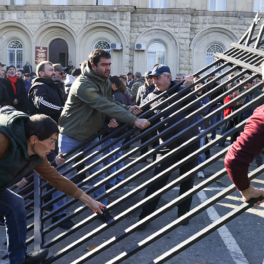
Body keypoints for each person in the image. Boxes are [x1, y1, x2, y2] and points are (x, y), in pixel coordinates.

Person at [0, 106, 105, 264]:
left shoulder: (37, 154)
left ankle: (19, 260)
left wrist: (89, 201)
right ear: (34, 139)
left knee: (16, 204)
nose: (53, 148)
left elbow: (56, 179)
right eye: (51, 141)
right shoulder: (3, 140)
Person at [58, 49, 150, 223]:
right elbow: (102, 104)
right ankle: (59, 214)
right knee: (64, 175)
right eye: (104, 65)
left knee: (98, 174)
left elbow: (110, 102)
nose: (108, 68)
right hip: (71, 134)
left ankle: (101, 209)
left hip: (91, 134)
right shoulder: (83, 84)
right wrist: (133, 120)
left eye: (109, 64)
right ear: (93, 65)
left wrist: (127, 108)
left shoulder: (105, 80)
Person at [138, 65, 199, 227]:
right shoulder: (151, 96)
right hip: (166, 146)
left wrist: (187, 89)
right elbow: (139, 113)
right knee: (157, 182)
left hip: (189, 143)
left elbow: (197, 107)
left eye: (158, 78)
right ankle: (145, 217)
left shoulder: (182, 90)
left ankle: (183, 214)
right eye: (153, 78)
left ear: (168, 77)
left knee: (187, 181)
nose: (154, 81)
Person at [103, 75, 128, 189]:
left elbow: (112, 113)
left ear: (113, 85)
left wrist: (109, 121)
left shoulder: (115, 97)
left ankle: (111, 182)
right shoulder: (120, 95)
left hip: (113, 132)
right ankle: (119, 179)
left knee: (110, 158)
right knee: (117, 156)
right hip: (120, 131)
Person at [136, 71, 158, 161]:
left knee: (155, 138)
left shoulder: (156, 88)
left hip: (154, 116)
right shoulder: (141, 88)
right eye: (147, 78)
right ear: (145, 79)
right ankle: (143, 155)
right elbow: (137, 102)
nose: (149, 80)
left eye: (151, 78)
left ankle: (155, 157)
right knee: (144, 137)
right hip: (143, 116)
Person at [194, 81, 210, 178]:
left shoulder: (205, 97)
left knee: (201, 151)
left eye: (200, 87)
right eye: (197, 87)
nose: (199, 89)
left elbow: (204, 110)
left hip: (201, 127)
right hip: (190, 126)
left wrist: (197, 103)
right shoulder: (191, 96)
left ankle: (200, 170)